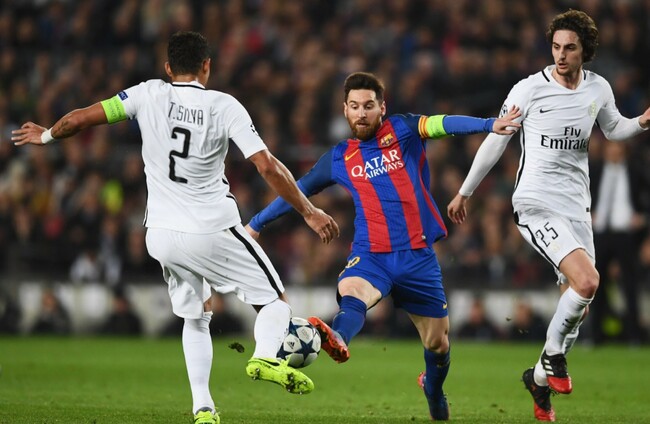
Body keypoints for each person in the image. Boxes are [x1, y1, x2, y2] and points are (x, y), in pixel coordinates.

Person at [12, 31, 339, 424]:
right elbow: (266, 165)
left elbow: (77, 120)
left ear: (168, 67)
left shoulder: (146, 94)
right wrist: (308, 211)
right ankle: (266, 357)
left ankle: (203, 408)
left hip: (161, 234)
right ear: (207, 66)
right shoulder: (223, 106)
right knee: (274, 303)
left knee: (196, 316)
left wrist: (46, 135)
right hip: (211, 228)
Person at [246, 71, 521, 421]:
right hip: (372, 254)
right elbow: (296, 190)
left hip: (418, 258)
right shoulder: (340, 157)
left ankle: (432, 387)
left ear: (382, 108)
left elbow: (443, 123)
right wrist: (256, 224)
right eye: (354, 106)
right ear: (345, 110)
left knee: (438, 344)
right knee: (352, 289)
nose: (361, 113)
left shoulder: (403, 129)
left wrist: (487, 124)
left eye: (368, 106)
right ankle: (339, 337)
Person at [447, 10, 650, 422]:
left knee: (579, 304)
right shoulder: (528, 89)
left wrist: (643, 121)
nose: (560, 55)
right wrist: (465, 191)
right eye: (556, 47)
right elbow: (496, 140)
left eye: (569, 48)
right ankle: (553, 356)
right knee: (588, 281)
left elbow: (614, 129)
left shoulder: (598, 88)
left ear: (584, 51)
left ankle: (538, 378)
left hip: (577, 208)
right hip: (535, 203)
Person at [590, 141, 647, 345]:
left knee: (630, 285)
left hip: (626, 234)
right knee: (595, 284)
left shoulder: (636, 171)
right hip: (599, 233)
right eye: (611, 147)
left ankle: (634, 336)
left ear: (624, 150)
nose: (614, 151)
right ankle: (595, 335)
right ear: (605, 150)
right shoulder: (594, 171)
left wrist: (644, 218)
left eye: (618, 147)